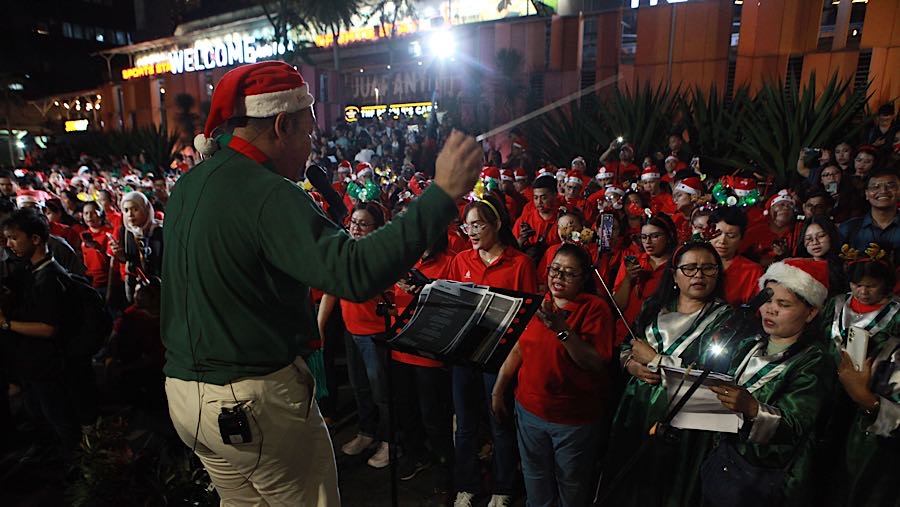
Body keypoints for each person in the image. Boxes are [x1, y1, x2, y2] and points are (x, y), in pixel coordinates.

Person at [161, 61, 481, 506]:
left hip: (186, 396)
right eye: (309, 133)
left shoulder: (190, 183)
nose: (311, 148)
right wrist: (442, 195)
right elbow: (353, 271)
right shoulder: (268, 192)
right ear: (282, 125)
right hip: (250, 400)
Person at [602, 241, 733, 506]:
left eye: (708, 268)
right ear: (674, 275)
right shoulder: (655, 307)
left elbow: (716, 384)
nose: (698, 275)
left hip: (682, 421)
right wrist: (631, 364)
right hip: (637, 409)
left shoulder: (728, 320)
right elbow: (628, 345)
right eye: (690, 268)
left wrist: (657, 361)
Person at [704, 258, 834, 506]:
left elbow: (795, 425)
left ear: (811, 312)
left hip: (769, 477)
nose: (770, 309)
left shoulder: (815, 361)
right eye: (767, 300)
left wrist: (753, 408)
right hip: (726, 459)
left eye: (783, 304)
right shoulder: (750, 344)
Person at [491, 244, 614, 507]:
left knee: (571, 482)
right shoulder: (539, 302)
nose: (559, 277)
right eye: (555, 270)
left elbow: (594, 363)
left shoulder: (595, 308)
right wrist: (498, 390)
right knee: (535, 476)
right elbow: (518, 349)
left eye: (569, 273)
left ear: (583, 277)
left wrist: (562, 330)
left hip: (572, 419)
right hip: (530, 410)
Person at [449, 195, 538, 507]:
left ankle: (503, 487)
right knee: (465, 425)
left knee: (499, 423)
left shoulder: (520, 264)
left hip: (499, 357)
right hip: (464, 355)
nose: (472, 232)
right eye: (467, 226)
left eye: (478, 225)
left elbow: (527, 319)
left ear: (497, 224)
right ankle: (467, 484)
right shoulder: (461, 261)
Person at [319, 203, 395, 469]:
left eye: (363, 224)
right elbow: (331, 290)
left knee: (381, 392)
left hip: (376, 334)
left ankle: (389, 440)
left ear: (377, 228)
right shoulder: (345, 253)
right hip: (351, 331)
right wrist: (319, 326)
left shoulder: (383, 256)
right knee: (360, 386)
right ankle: (366, 432)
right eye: (354, 223)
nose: (356, 229)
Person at [820, 257, 900, 507]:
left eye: (871, 285)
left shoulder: (896, 314)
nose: (863, 292)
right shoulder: (837, 305)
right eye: (857, 285)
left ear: (885, 284)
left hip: (869, 396)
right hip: (829, 391)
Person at [0, 209, 80, 448]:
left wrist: (6, 324)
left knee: (57, 416)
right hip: (31, 362)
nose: (9, 244)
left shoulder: (50, 278)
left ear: (35, 239)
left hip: (46, 363)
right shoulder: (30, 270)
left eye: (14, 238)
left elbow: (47, 328)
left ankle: (73, 460)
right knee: (40, 413)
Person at [390, 232, 455, 496]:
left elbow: (454, 306)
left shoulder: (449, 262)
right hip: (400, 346)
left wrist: (427, 289)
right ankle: (416, 454)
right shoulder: (402, 259)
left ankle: (444, 463)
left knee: (433, 415)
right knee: (406, 409)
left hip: (429, 350)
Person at [612, 214, 677, 345]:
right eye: (643, 237)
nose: (648, 242)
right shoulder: (632, 262)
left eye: (655, 236)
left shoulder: (677, 264)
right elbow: (618, 306)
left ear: (669, 236)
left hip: (660, 337)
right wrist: (628, 279)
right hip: (626, 335)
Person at [839, 167, 900, 267]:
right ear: (866, 194)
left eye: (890, 186)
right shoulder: (848, 228)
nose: (883, 191)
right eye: (875, 187)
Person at [109, 191, 163, 304]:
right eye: (126, 210)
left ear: (145, 209)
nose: (130, 214)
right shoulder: (126, 232)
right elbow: (129, 259)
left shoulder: (160, 231)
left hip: (160, 285)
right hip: (135, 284)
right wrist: (120, 255)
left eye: (135, 209)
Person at [709, 207, 765, 306]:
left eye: (731, 235)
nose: (722, 241)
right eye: (717, 233)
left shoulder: (752, 271)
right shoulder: (695, 262)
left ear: (741, 238)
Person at [797, 216, 848, 296]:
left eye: (821, 236)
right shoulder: (798, 268)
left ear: (831, 236)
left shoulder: (845, 266)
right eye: (809, 238)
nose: (815, 242)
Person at [79, 201, 113, 295]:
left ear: (100, 213)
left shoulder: (109, 233)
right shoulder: (83, 235)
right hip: (89, 281)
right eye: (86, 213)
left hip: (106, 282)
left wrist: (99, 248)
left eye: (93, 213)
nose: (89, 216)